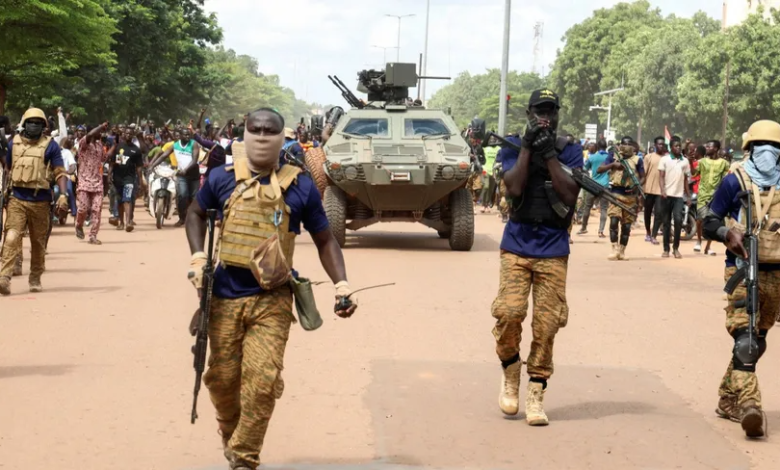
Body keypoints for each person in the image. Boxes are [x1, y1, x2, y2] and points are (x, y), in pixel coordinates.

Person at [185, 108, 358, 469]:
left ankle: (244, 459)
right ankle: (231, 434)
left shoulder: (300, 186)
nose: (262, 136)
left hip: (273, 299)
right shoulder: (222, 178)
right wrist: (198, 258)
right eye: (256, 129)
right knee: (221, 380)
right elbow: (195, 214)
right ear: (244, 132)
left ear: (284, 136)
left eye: (270, 130)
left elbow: (325, 240)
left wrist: (342, 284)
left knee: (262, 382)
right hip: (224, 297)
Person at [492, 89, 582, 426]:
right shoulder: (513, 144)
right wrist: (530, 147)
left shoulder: (570, 149)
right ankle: (511, 367)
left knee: (546, 326)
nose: (545, 116)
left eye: (550, 111)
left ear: (557, 114)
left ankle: (536, 391)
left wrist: (551, 155)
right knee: (509, 313)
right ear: (529, 113)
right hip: (517, 242)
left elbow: (569, 194)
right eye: (539, 111)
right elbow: (513, 188)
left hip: (554, 248)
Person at [702, 120, 780, 439]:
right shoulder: (735, 181)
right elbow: (708, 219)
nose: (768, 154)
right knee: (745, 339)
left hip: (776, 273)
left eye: (774, 149)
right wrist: (726, 234)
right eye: (762, 148)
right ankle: (750, 405)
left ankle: (727, 397)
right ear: (748, 150)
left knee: (756, 341)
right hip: (742, 269)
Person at [0, 108, 69, 295]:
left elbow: (60, 172)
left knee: (38, 243)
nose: (34, 125)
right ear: (24, 123)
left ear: (44, 126)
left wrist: (63, 195)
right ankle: (4, 277)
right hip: (17, 198)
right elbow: (7, 168)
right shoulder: (12, 144)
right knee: (12, 236)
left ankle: (35, 277)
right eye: (31, 122)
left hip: (41, 200)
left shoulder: (51, 146)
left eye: (38, 123)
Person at [598, 136, 645, 260]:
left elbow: (643, 176)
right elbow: (600, 169)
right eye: (624, 144)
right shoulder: (613, 156)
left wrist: (637, 184)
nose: (627, 146)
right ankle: (614, 249)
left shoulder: (637, 160)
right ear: (620, 145)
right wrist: (613, 164)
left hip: (630, 196)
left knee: (627, 226)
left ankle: (622, 251)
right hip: (615, 194)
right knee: (614, 222)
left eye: (630, 144)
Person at [149, 129, 200, 226]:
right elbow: (163, 156)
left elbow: (194, 160)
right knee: (182, 195)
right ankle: (182, 218)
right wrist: (152, 165)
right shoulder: (175, 145)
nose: (187, 136)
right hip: (182, 176)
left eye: (188, 135)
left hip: (194, 176)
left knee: (194, 198)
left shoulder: (194, 144)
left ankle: (195, 218)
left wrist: (185, 169)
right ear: (180, 135)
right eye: (185, 135)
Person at [75, 123, 109, 244]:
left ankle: (93, 235)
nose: (101, 133)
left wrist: (115, 146)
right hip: (84, 181)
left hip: (98, 183)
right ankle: (79, 225)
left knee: (96, 210)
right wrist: (101, 126)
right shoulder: (84, 143)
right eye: (99, 131)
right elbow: (89, 135)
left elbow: (104, 159)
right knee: (83, 208)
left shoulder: (100, 145)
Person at [108, 128, 148, 232]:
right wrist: (109, 174)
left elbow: (139, 167)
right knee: (120, 201)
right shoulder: (118, 147)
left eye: (131, 133)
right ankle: (121, 222)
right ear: (123, 134)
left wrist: (140, 181)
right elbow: (112, 162)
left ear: (133, 135)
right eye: (126, 133)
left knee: (127, 199)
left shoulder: (136, 150)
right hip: (117, 177)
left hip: (129, 178)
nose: (128, 135)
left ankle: (128, 222)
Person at [658, 139, 692, 258]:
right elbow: (661, 177)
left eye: (679, 146)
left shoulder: (685, 161)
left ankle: (676, 248)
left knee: (678, 220)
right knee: (666, 223)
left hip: (678, 196)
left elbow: (686, 180)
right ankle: (666, 248)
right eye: (676, 146)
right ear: (671, 147)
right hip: (666, 195)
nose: (678, 148)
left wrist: (688, 196)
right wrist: (662, 190)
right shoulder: (664, 160)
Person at [695, 141, 730, 255]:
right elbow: (694, 173)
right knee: (700, 220)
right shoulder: (701, 162)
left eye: (709, 146)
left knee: (711, 222)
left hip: (715, 196)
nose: (707, 148)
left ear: (716, 149)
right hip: (702, 195)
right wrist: (691, 162)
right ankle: (699, 241)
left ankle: (708, 247)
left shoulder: (724, 163)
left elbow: (726, 179)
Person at [578, 140, 609, 237]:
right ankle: (600, 231)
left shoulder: (593, 157)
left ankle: (583, 228)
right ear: (606, 146)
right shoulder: (610, 158)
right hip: (605, 185)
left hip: (593, 185)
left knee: (587, 206)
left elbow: (585, 168)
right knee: (604, 208)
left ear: (597, 147)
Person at [643, 137, 667, 244]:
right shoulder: (649, 157)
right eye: (659, 144)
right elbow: (644, 173)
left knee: (659, 213)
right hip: (648, 189)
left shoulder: (667, 158)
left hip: (661, 190)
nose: (661, 146)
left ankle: (654, 235)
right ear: (655, 145)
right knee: (647, 213)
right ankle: (648, 232)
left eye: (663, 144)